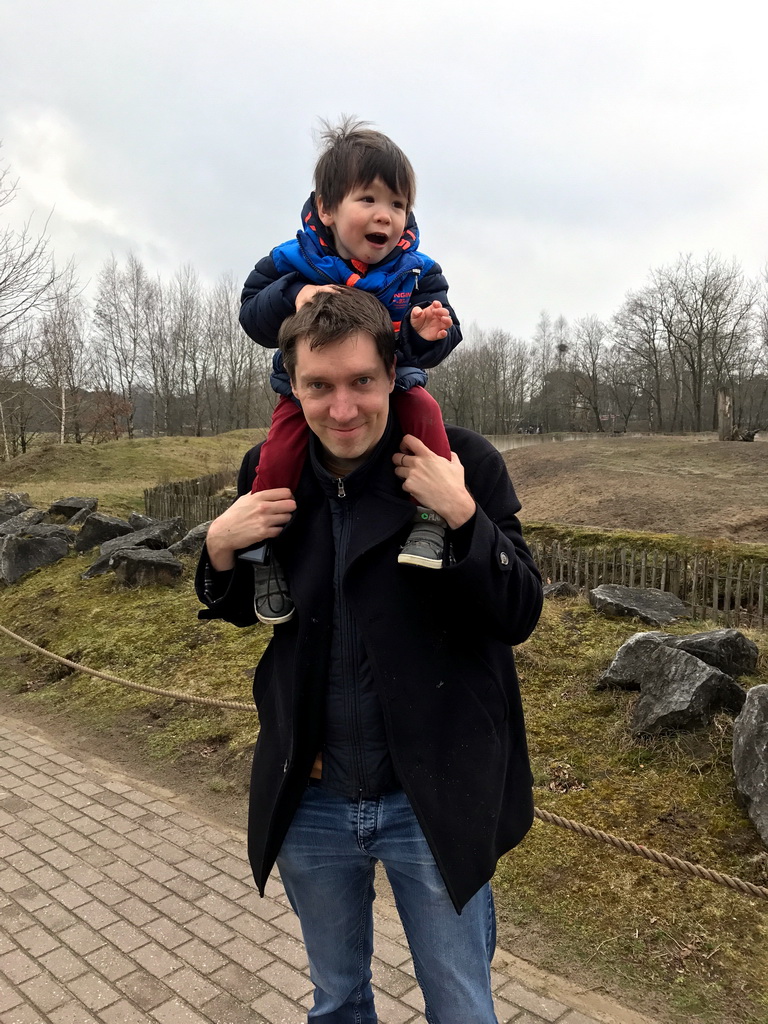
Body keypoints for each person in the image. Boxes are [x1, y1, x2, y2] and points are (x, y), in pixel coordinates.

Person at [197, 288, 543, 1023]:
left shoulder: (462, 462)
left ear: (394, 375)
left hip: (432, 798)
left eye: (361, 382)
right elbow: (246, 610)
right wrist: (219, 550)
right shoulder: (271, 471)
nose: (343, 408)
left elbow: (521, 612)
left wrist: (462, 515)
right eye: (319, 385)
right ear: (292, 385)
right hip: (313, 799)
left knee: (462, 1006)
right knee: (338, 1000)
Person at [238, 117, 462, 625]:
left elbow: (442, 337)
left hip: (394, 382)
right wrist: (292, 296)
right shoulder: (294, 260)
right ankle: (262, 550)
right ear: (327, 208)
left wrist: (427, 333)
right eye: (368, 199)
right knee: (277, 456)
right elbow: (251, 312)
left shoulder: (417, 271)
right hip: (303, 393)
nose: (385, 215)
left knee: (426, 413)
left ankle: (432, 520)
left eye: (398, 204)